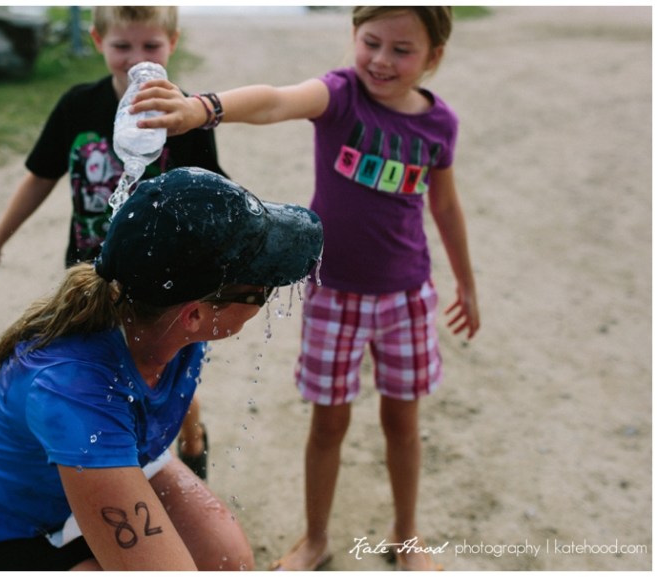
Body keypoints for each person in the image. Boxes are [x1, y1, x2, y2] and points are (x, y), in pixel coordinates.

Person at [133, 6, 480, 571]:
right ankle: (316, 538)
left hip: (406, 297)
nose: (381, 60)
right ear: (354, 35)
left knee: (403, 424)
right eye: (371, 41)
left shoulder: (439, 124)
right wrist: (202, 108)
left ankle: (406, 535)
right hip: (334, 295)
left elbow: (445, 204)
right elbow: (275, 100)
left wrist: (466, 282)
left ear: (433, 56)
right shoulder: (341, 95)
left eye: (401, 50)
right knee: (329, 424)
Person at [0, 167, 325, 571]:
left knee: (228, 561)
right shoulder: (74, 391)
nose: (266, 294)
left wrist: (193, 445)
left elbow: (165, 393)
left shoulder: (158, 314)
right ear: (195, 314)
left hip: (95, 466)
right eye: (261, 290)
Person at [0, 6, 221, 479]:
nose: (135, 59)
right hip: (92, 274)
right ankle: (120, 460)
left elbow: (212, 191)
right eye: (122, 46)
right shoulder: (77, 106)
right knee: (98, 368)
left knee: (165, 369)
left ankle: (191, 439)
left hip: (164, 279)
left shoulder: (183, 113)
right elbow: (40, 177)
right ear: (98, 40)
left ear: (172, 43)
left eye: (151, 46)